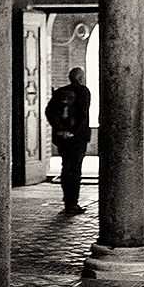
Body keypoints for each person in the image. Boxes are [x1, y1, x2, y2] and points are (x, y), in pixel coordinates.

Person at [45, 67, 92, 214]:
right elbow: (83, 114)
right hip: (77, 138)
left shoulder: (59, 92)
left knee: (66, 167)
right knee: (75, 169)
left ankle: (67, 202)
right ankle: (73, 203)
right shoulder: (83, 91)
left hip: (62, 138)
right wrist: (73, 132)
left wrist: (60, 130)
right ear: (81, 78)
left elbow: (49, 112)